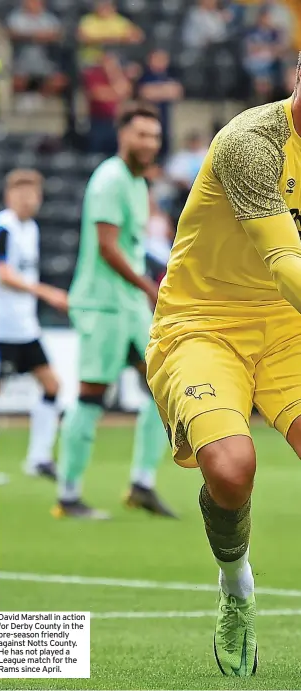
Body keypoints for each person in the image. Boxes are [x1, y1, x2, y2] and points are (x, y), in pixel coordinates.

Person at [146, 53, 301, 676]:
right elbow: (283, 260)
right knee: (232, 468)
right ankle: (236, 585)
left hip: (289, 329)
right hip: (205, 323)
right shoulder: (251, 142)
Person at [53, 102, 176, 520]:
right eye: (141, 134)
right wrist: (148, 287)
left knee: (163, 389)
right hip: (102, 304)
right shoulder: (109, 178)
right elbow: (107, 247)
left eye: (154, 136)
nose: (149, 142)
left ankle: (142, 484)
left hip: (127, 304)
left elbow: (133, 247)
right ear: (123, 135)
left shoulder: (139, 185)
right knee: (91, 397)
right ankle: (68, 496)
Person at [0, 169, 68, 481]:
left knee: (52, 386)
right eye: (21, 194)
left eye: (33, 194)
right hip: (0, 329)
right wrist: (46, 292)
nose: (28, 200)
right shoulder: (4, 228)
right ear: (9, 196)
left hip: (25, 328)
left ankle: (38, 458)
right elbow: (5, 274)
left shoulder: (32, 229)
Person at [6, 0, 67, 98]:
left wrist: (43, 37)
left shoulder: (49, 18)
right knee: (15, 81)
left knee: (59, 81)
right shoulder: (16, 17)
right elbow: (12, 33)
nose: (33, 4)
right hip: (21, 62)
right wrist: (34, 37)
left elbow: (57, 34)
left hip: (46, 62)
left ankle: (44, 103)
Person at [82, 53, 131, 155]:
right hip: (98, 120)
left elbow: (126, 90)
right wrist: (115, 92)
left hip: (116, 121)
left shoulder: (119, 75)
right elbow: (97, 94)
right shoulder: (93, 76)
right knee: (96, 152)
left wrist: (114, 75)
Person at [138, 50, 183, 158]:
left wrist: (157, 91)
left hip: (165, 122)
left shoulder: (168, 75)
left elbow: (177, 91)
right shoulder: (145, 76)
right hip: (148, 120)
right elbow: (145, 92)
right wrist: (165, 90)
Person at [78, 0, 144, 68]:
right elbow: (81, 38)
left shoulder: (120, 20)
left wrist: (121, 40)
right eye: (102, 5)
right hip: (93, 57)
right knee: (109, 62)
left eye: (107, 5)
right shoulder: (88, 20)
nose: (105, 8)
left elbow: (137, 37)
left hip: (119, 56)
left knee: (134, 69)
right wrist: (105, 41)